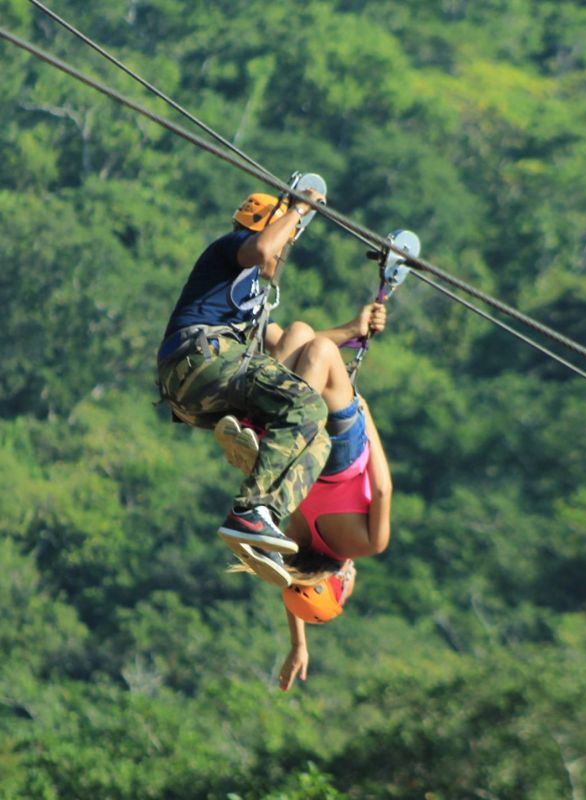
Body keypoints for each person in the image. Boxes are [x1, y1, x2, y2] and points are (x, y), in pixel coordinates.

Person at [219, 304, 392, 690]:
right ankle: (258, 421)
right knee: (298, 337)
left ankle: (265, 412)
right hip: (300, 452)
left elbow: (382, 488)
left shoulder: (367, 544)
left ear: (337, 582)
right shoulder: (295, 540)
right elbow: (287, 581)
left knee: (312, 347)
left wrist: (367, 417)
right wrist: (298, 643)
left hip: (338, 449)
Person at [157, 189, 331, 563]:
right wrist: (298, 210)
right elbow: (263, 249)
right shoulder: (231, 249)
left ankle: (264, 521)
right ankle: (249, 509)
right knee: (306, 403)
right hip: (204, 359)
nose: (283, 253)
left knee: (317, 438)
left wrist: (356, 331)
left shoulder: (252, 299)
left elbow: (287, 341)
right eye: (284, 239)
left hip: (203, 386)